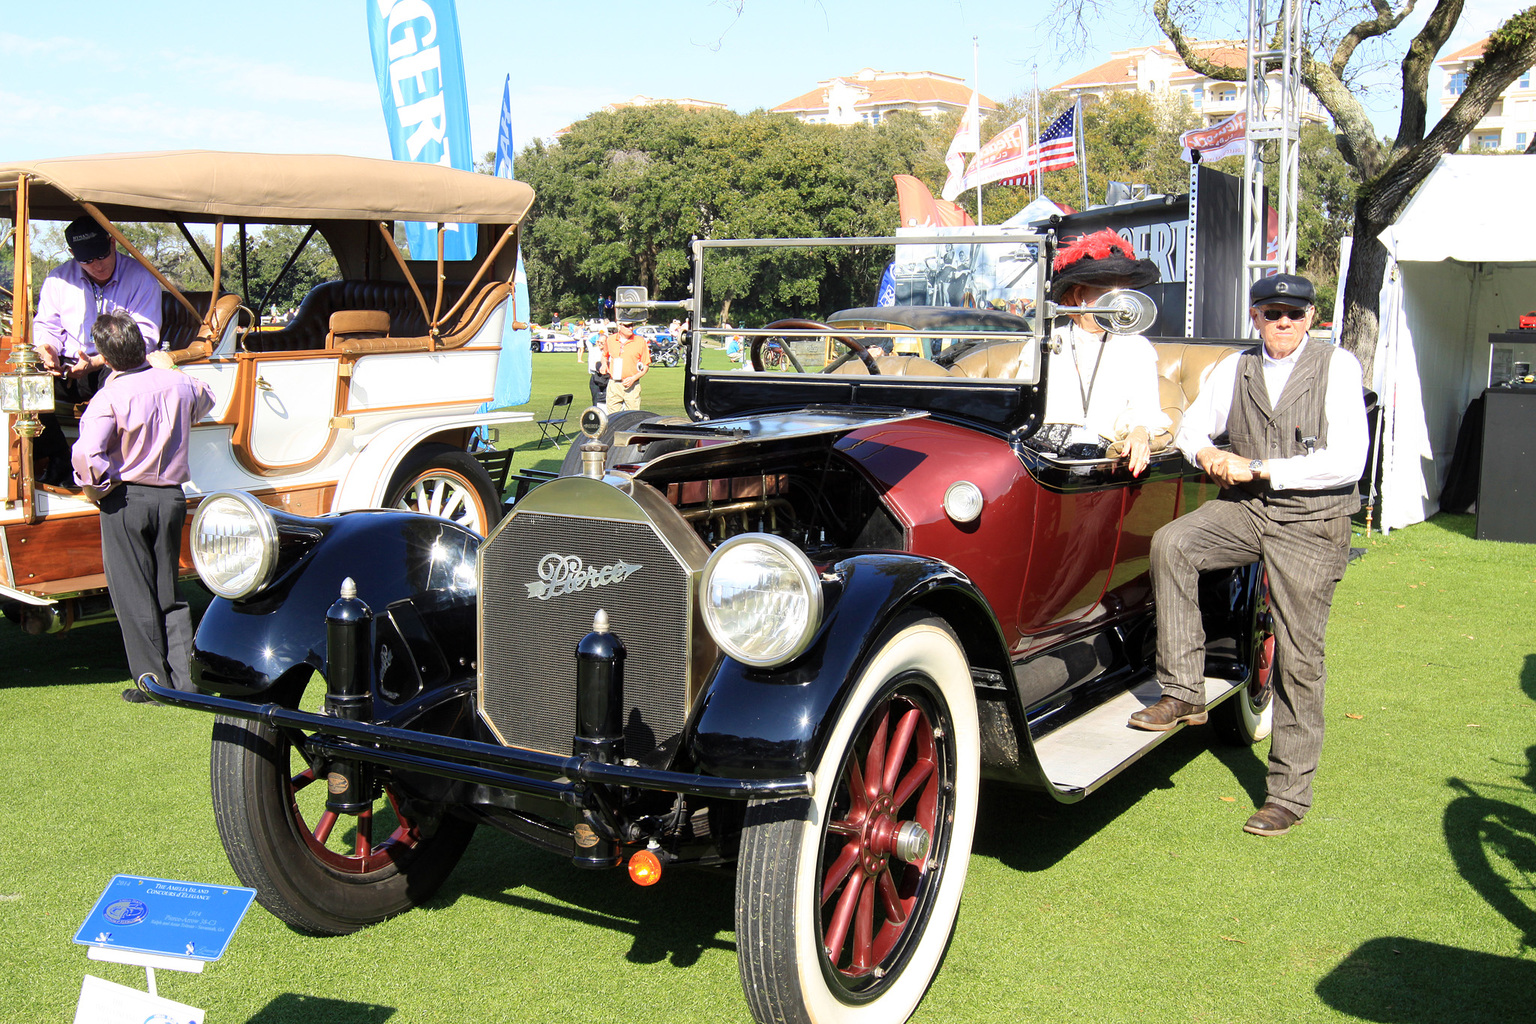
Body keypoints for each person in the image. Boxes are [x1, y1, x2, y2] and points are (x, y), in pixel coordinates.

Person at [1130, 273, 1367, 838]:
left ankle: (1288, 793)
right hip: (1248, 510)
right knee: (1173, 544)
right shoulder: (1235, 367)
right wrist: (1207, 450)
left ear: (1311, 317)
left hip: (1311, 520)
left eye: (1295, 312)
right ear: (1255, 315)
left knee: (1300, 658)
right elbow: (1189, 429)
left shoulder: (1338, 367)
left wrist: (1261, 467)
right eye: (1272, 311)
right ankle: (1185, 692)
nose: (1283, 322)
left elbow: (1348, 461)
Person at [71, 311, 215, 704]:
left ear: (104, 354)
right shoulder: (179, 383)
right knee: (168, 590)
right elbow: (206, 398)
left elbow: (87, 452)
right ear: (143, 344)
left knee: (134, 594)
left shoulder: (109, 396)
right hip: (170, 497)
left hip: (125, 498)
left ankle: (153, 683)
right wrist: (168, 367)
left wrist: (95, 489)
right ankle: (187, 682)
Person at [33, 217, 163, 484]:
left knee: (118, 381)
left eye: (102, 255)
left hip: (117, 362)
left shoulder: (140, 278)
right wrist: (48, 351)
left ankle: (102, 467)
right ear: (72, 255)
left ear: (113, 243)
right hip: (68, 364)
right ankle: (59, 457)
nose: (97, 265)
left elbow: (145, 339)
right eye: (87, 261)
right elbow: (46, 325)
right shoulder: (58, 279)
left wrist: (97, 361)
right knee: (27, 386)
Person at [1031, 229, 1169, 476]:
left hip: (1106, 465)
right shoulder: (1047, 342)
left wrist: (1139, 435)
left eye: (1122, 293)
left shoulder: (1136, 348)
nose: (1117, 304)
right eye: (1105, 293)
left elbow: (1144, 412)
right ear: (1078, 295)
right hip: (1041, 461)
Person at [599, 320, 649, 411]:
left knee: (632, 417)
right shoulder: (611, 339)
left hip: (632, 385)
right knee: (613, 417)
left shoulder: (640, 341)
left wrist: (633, 378)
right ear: (619, 326)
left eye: (632, 325)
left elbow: (645, 365)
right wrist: (604, 364)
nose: (631, 328)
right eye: (627, 326)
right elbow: (604, 356)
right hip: (614, 384)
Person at [586, 325, 610, 406]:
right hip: (596, 377)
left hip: (607, 378)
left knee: (608, 400)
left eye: (602, 343)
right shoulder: (593, 351)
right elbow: (592, 366)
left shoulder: (610, 351)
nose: (599, 344)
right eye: (598, 342)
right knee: (596, 401)